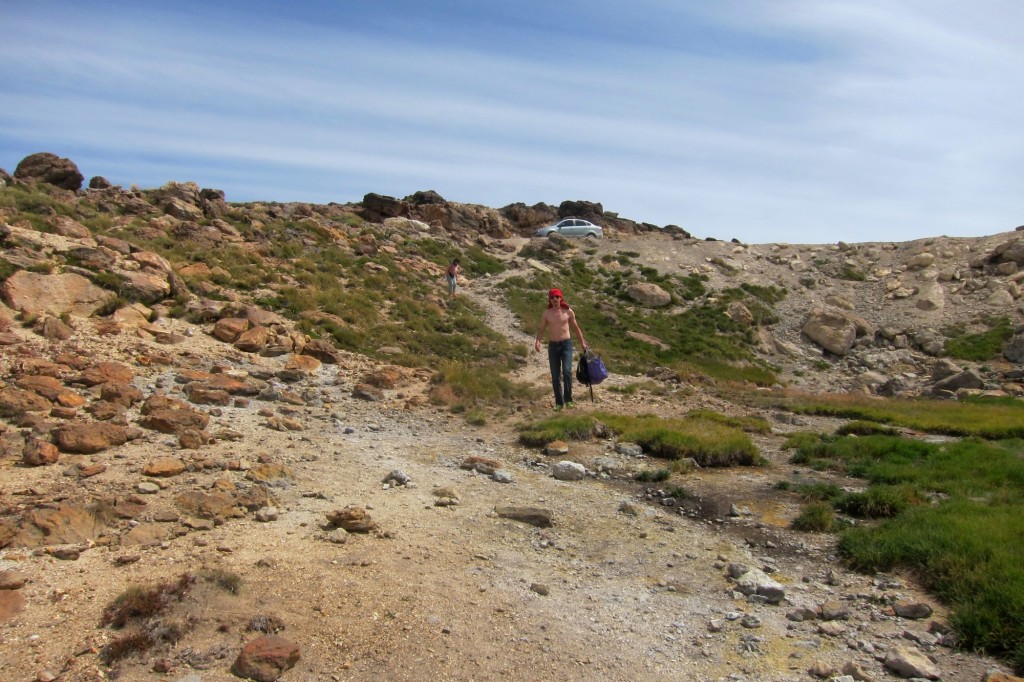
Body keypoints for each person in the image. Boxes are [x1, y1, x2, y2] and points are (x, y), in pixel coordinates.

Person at [534, 288, 588, 409]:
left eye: (557, 297)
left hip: (566, 345)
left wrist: (582, 343)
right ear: (550, 299)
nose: (554, 300)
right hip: (553, 346)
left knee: (567, 371)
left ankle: (568, 399)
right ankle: (559, 403)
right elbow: (541, 329)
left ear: (561, 298)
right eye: (552, 297)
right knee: (555, 375)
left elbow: (576, 328)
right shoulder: (546, 313)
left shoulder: (568, 311)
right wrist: (537, 341)